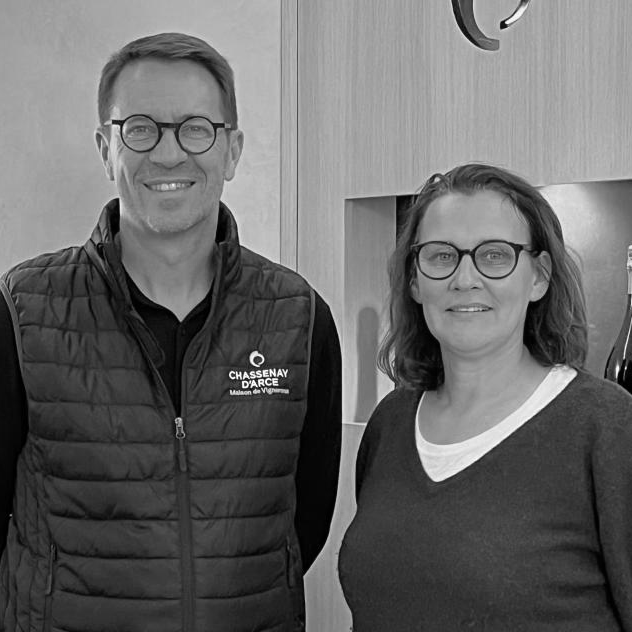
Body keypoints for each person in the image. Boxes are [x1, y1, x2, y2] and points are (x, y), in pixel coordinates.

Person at [0, 32, 341, 631]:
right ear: (106, 148)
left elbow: (301, 524)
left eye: (196, 129)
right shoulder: (22, 312)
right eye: (141, 129)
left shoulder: (298, 318)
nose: (168, 154)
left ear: (232, 150)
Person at [338, 163, 632, 631]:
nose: (465, 279)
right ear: (415, 280)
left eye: (494, 256)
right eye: (441, 256)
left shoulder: (607, 427)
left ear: (539, 277)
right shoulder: (391, 422)